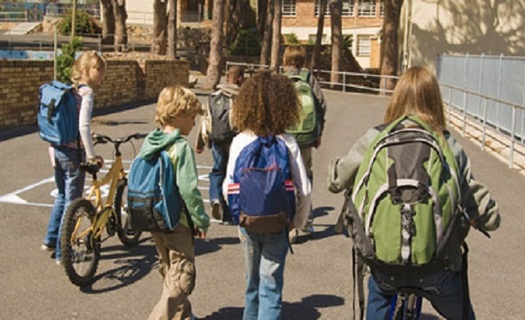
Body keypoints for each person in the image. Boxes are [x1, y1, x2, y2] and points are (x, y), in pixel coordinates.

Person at [327, 66, 501, 320]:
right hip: (437, 265)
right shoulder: (447, 143)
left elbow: (336, 180)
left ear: (397, 97)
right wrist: (487, 218)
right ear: (435, 100)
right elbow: (482, 207)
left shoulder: (377, 136)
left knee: (379, 291)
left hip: (383, 265)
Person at [223, 71, 312, 320]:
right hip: (278, 222)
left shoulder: (241, 140)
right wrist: (298, 223)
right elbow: (304, 189)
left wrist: (237, 217)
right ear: (285, 106)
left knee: (251, 282)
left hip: (247, 222)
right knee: (270, 284)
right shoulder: (288, 141)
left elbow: (229, 185)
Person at [143, 85, 210, 320]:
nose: (193, 124)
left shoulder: (151, 141)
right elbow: (189, 189)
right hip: (177, 220)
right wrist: (201, 220)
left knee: (170, 271)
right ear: (179, 115)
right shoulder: (180, 147)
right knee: (181, 277)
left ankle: (182, 315)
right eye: (191, 117)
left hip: (154, 216)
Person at [41, 50, 106, 265]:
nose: (103, 74)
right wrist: (91, 155)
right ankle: (63, 253)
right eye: (100, 69)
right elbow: (83, 125)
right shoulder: (86, 93)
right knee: (72, 204)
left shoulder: (69, 90)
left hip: (57, 149)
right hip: (72, 154)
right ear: (87, 70)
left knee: (61, 197)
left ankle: (50, 240)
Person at [282, 45, 327, 240]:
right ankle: (306, 221)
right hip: (306, 137)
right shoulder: (309, 79)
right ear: (303, 61)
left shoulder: (281, 79)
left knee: (285, 178)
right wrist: (318, 132)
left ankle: (288, 224)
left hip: (283, 136)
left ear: (285, 60)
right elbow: (321, 105)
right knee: (305, 177)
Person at [195, 66, 244, 224]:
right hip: (235, 140)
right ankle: (231, 212)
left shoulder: (213, 96)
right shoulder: (240, 97)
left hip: (216, 140)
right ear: (240, 79)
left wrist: (200, 142)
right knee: (234, 175)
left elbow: (205, 119)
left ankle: (215, 198)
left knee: (217, 172)